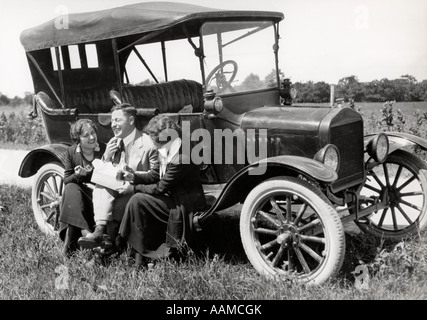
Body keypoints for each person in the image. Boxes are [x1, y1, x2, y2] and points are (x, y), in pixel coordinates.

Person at [116, 115, 206, 267]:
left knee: (137, 200)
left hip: (185, 204)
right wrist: (134, 177)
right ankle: (137, 255)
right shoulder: (167, 148)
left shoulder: (182, 156)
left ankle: (124, 246)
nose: (154, 145)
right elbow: (156, 175)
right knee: (137, 201)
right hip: (172, 197)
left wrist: (133, 188)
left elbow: (160, 187)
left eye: (155, 141)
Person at [77, 103, 158, 252]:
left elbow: (156, 176)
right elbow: (105, 171)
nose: (113, 125)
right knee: (101, 186)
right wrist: (106, 156)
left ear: (131, 121)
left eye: (117, 121)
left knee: (102, 190)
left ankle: (103, 237)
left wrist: (132, 177)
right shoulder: (115, 142)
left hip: (136, 190)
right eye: (112, 121)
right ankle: (101, 234)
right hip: (115, 190)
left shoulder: (148, 144)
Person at [59, 118, 105, 257]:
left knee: (72, 193)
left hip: (101, 195)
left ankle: (70, 246)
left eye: (93, 133)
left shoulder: (104, 149)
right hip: (81, 197)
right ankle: (87, 234)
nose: (91, 137)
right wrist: (78, 175)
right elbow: (67, 179)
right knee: (71, 188)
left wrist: (90, 174)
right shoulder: (72, 152)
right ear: (78, 138)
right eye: (86, 135)